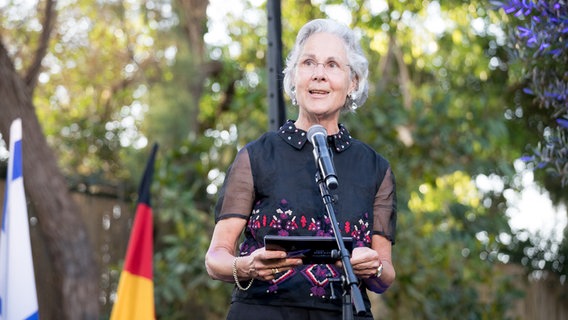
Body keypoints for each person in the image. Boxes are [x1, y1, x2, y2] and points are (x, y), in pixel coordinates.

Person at [205, 18, 397, 320]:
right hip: (262, 311)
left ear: (353, 82)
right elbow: (215, 258)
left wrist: (372, 266)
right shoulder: (256, 156)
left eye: (332, 65)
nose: (319, 75)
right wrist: (245, 266)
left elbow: (385, 275)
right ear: (294, 77)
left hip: (343, 313)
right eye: (309, 63)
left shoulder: (375, 168)